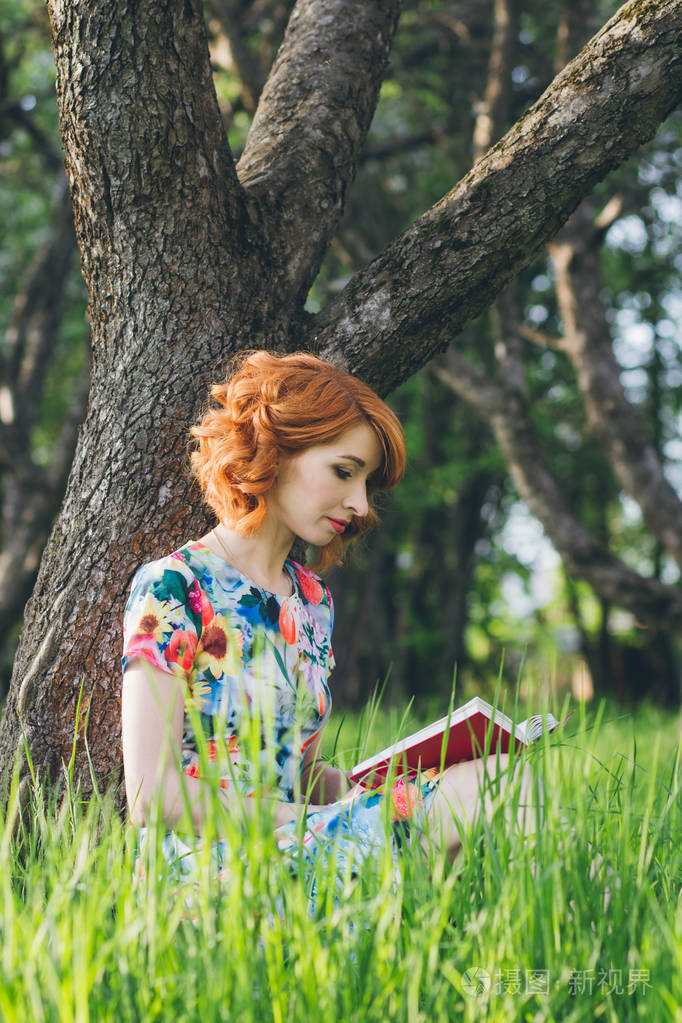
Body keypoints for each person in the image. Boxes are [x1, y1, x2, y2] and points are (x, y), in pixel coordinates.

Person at [121, 350, 533, 903]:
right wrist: (316, 816)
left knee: (501, 771)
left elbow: (303, 774)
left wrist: (394, 782)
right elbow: (151, 796)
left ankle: (573, 930)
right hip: (209, 873)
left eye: (366, 484)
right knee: (490, 787)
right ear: (276, 448)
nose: (360, 504)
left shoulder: (311, 601)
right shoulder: (175, 586)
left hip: (304, 843)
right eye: (344, 472)